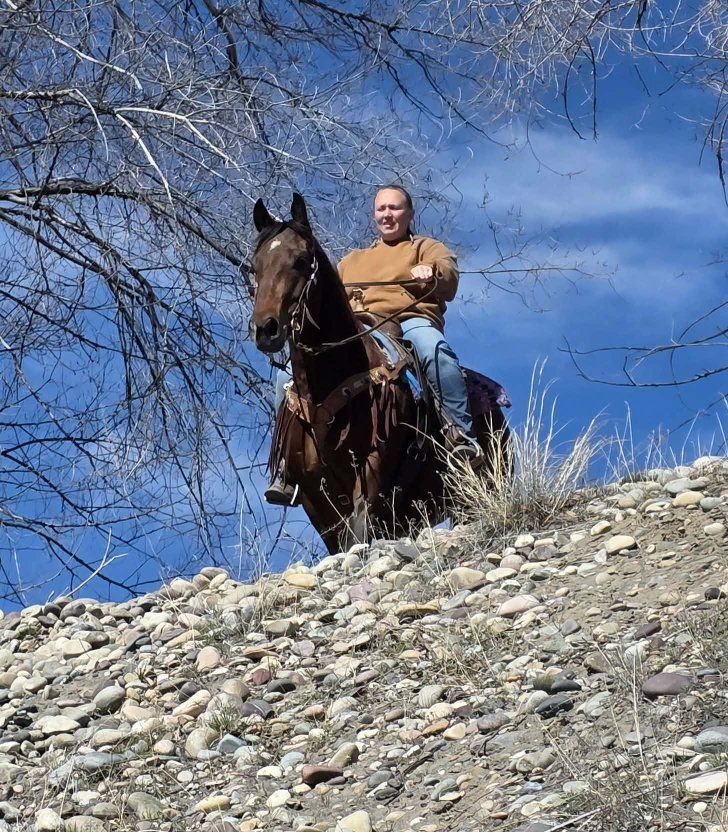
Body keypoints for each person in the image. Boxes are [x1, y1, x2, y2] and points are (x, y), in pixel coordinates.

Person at [265, 185, 481, 505]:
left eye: (395, 208)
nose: (387, 214)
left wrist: (432, 271)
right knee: (286, 375)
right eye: (381, 209)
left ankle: (460, 435)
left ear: (409, 214)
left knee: (436, 353)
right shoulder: (352, 261)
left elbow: (448, 277)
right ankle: (288, 464)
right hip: (360, 329)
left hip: (408, 323)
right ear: (374, 215)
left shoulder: (426, 248)